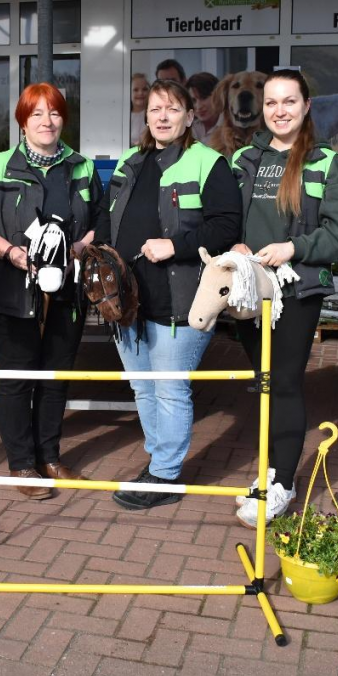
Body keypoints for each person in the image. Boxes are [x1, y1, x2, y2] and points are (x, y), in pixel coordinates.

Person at [94, 80, 241, 510]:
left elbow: (227, 226)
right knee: (143, 387)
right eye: (156, 109)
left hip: (181, 297)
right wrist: (102, 262)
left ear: (190, 117)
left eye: (173, 109)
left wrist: (174, 244)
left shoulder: (208, 163)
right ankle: (159, 461)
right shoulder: (130, 161)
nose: (162, 116)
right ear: (146, 116)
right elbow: (107, 219)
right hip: (127, 302)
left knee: (170, 388)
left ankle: (164, 474)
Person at [228, 69, 338, 527]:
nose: (279, 111)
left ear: (306, 107)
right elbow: (226, 216)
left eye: (288, 102)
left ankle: (281, 482)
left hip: (297, 291)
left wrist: (292, 249)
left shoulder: (325, 163)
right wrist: (235, 244)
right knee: (263, 383)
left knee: (282, 383)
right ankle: (270, 472)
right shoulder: (245, 157)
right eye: (270, 103)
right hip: (250, 293)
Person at [0, 83, 103, 499]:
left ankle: (50, 457)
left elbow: (102, 219)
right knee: (17, 376)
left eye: (55, 114)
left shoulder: (81, 166)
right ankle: (22, 464)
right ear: (23, 121)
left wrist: (80, 246)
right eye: (37, 114)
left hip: (67, 288)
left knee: (55, 375)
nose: (47, 122)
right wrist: (10, 253)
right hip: (13, 287)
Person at [187, 71, 220, 143]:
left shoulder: (231, 126)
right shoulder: (189, 126)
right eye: (193, 100)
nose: (199, 106)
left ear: (218, 96)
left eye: (203, 98)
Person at [130, 72, 149, 145]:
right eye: (136, 90)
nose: (140, 93)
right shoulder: (123, 117)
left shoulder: (155, 116)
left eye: (144, 89)